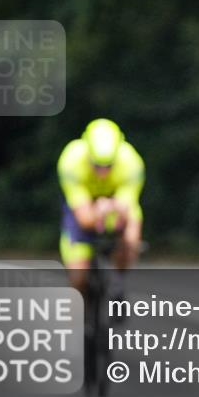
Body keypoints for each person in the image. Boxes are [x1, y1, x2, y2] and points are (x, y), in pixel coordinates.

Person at [58, 118, 145, 299]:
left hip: (116, 205)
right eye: (97, 165)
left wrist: (113, 211)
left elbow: (127, 209)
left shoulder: (132, 162)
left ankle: (118, 281)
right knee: (78, 279)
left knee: (131, 241)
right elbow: (84, 219)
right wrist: (97, 212)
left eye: (109, 166)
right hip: (83, 205)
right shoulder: (71, 161)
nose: (103, 173)